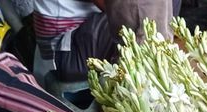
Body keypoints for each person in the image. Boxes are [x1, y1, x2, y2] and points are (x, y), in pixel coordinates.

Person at [15, 0, 179, 81]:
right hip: (65, 49)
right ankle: (143, 85)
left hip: (84, 36)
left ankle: (154, 69)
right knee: (146, 12)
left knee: (153, 16)